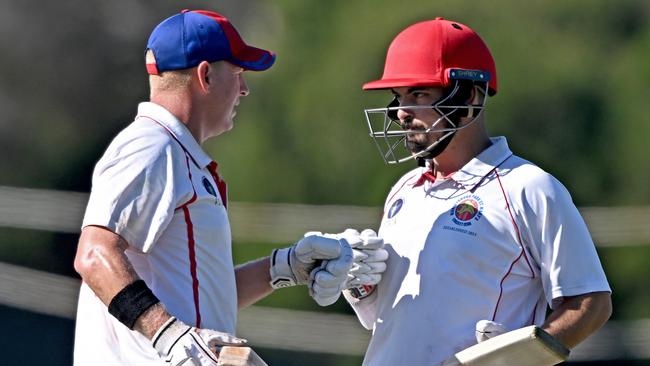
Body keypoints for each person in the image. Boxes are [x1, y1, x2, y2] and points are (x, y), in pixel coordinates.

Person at [73, 9, 385, 366]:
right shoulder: (151, 145)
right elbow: (94, 255)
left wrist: (286, 266)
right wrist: (170, 335)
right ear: (205, 75)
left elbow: (203, 296)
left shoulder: (172, 151)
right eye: (238, 73)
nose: (245, 89)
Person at [341, 17, 613, 365]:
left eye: (419, 93)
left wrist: (518, 359)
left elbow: (591, 303)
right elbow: (387, 321)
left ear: (469, 95)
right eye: (399, 96)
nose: (402, 112)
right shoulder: (403, 191)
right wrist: (362, 290)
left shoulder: (528, 188)